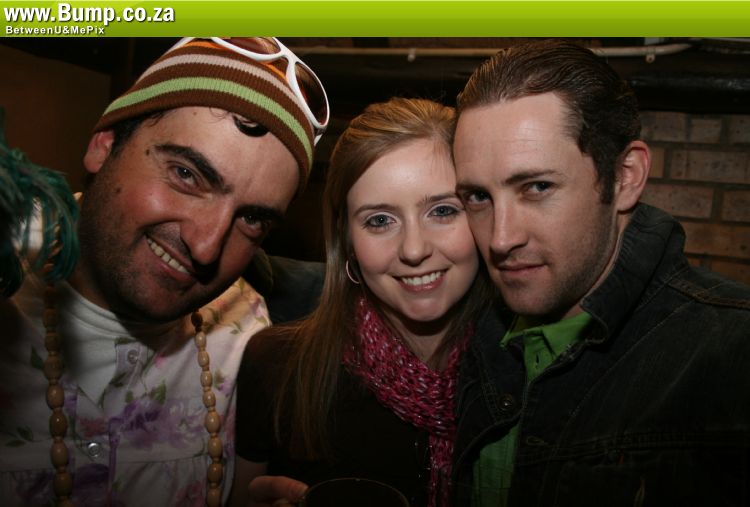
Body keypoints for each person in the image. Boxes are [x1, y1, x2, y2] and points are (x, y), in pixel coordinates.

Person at [0, 37, 329, 507]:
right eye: (187, 175)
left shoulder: (247, 334)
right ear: (104, 144)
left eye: (253, 218)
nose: (206, 246)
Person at [450, 39, 750, 506]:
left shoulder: (732, 353)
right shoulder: (467, 326)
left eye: (537, 187)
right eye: (478, 197)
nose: (500, 239)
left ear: (625, 176)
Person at [231, 97, 496, 507]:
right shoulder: (277, 368)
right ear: (348, 242)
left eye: (443, 211)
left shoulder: (528, 369)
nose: (413, 249)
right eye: (380, 220)